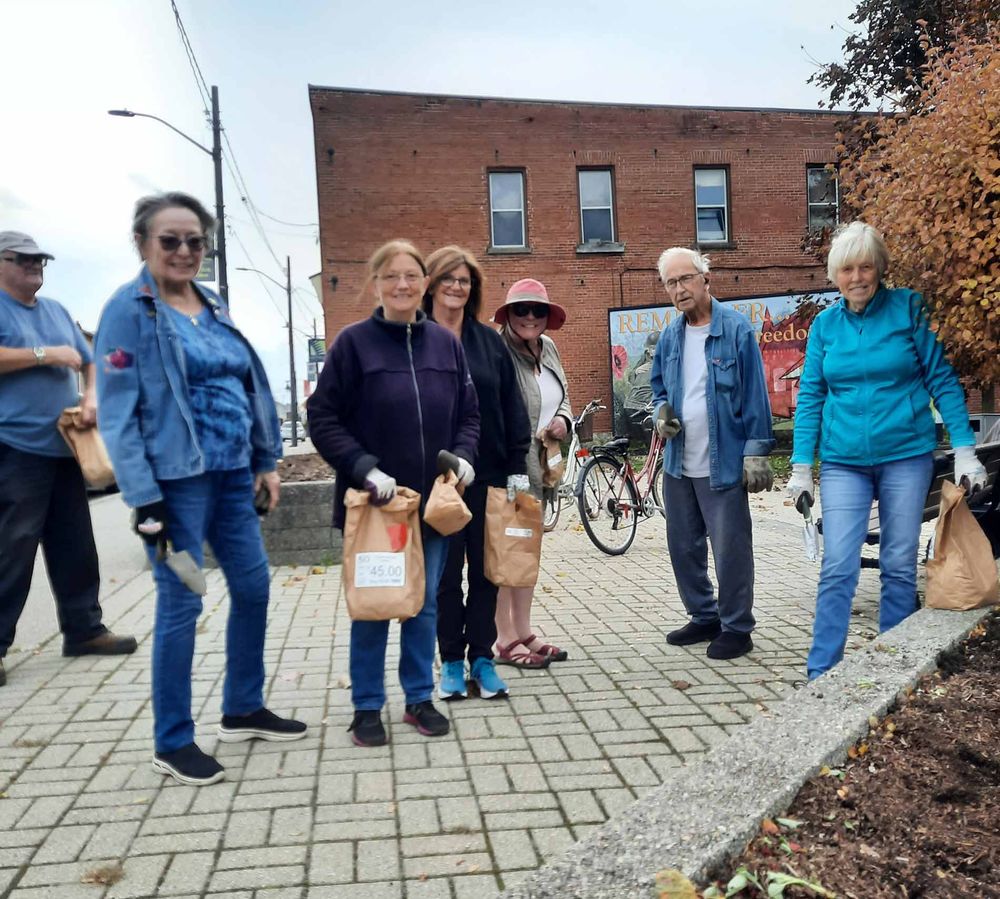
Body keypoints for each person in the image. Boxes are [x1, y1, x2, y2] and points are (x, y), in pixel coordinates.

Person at [95, 193, 305, 786]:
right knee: (182, 602)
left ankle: (242, 708)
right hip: (174, 491)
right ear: (142, 244)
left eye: (195, 241)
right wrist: (144, 497)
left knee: (254, 586)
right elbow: (116, 414)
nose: (185, 251)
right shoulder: (128, 311)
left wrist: (266, 460)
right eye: (171, 241)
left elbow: (250, 384)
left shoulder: (212, 304)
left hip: (234, 479)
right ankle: (173, 739)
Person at [787, 221, 985, 680]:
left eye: (866, 267)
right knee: (838, 564)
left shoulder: (908, 310)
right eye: (847, 269)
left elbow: (942, 380)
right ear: (835, 275)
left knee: (898, 563)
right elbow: (812, 396)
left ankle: (892, 672)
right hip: (843, 462)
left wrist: (964, 449)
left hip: (905, 455)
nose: (857, 278)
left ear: (880, 269)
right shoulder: (825, 326)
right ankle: (822, 673)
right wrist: (801, 466)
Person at [308, 239, 480, 747]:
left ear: (424, 284)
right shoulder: (352, 344)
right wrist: (364, 469)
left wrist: (464, 458)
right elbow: (323, 417)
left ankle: (417, 698)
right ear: (376, 283)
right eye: (391, 276)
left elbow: (468, 415)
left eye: (411, 276)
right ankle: (365, 706)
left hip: (431, 504)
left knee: (423, 605)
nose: (402, 285)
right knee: (376, 604)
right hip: (378, 508)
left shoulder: (446, 345)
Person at [0, 231, 137, 688]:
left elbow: (90, 359)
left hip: (64, 446)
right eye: (23, 260)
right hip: (14, 448)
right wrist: (41, 354)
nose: (35, 266)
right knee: (12, 549)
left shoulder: (56, 310)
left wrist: (92, 394)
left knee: (76, 545)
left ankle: (84, 630)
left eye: (40, 260)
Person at [650, 247, 775, 661]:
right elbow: (659, 390)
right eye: (671, 282)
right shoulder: (670, 336)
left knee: (730, 548)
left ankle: (737, 627)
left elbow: (756, 396)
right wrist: (660, 411)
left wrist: (756, 453)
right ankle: (704, 616)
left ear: (706, 279)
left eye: (686, 278)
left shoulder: (737, 331)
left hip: (723, 462)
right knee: (683, 546)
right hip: (679, 462)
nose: (680, 288)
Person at [422, 246, 532, 701]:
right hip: (435, 481)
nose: (456, 286)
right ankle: (450, 661)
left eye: (464, 280)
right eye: (448, 277)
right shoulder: (415, 336)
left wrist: (518, 478)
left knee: (489, 573)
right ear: (431, 283)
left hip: (488, 476)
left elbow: (513, 411)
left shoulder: (490, 344)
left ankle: (483, 658)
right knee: (445, 576)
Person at [493, 278, 572, 669]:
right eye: (520, 309)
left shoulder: (550, 348)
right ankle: (503, 639)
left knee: (527, 551)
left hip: (540, 469)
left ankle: (523, 630)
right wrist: (510, 471)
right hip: (509, 470)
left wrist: (562, 420)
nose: (529, 316)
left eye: (537, 310)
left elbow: (564, 396)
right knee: (506, 553)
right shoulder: (498, 351)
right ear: (507, 314)